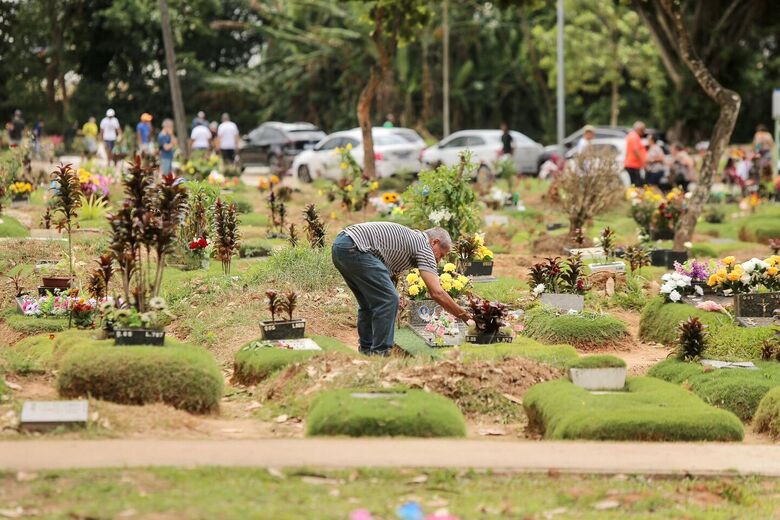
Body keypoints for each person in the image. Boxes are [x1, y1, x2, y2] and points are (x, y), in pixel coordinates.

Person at [331, 222, 471, 356]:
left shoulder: (412, 238)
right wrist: (465, 316)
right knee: (389, 299)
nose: (438, 261)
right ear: (434, 242)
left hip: (341, 245)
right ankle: (380, 354)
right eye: (441, 255)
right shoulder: (424, 246)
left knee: (368, 304)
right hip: (355, 248)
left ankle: (367, 353)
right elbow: (437, 292)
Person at [624, 121, 647, 186]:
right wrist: (643, 162)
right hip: (633, 165)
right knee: (637, 184)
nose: (643, 132)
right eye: (643, 130)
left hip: (632, 164)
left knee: (635, 184)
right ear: (639, 129)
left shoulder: (632, 135)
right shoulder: (634, 136)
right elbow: (635, 150)